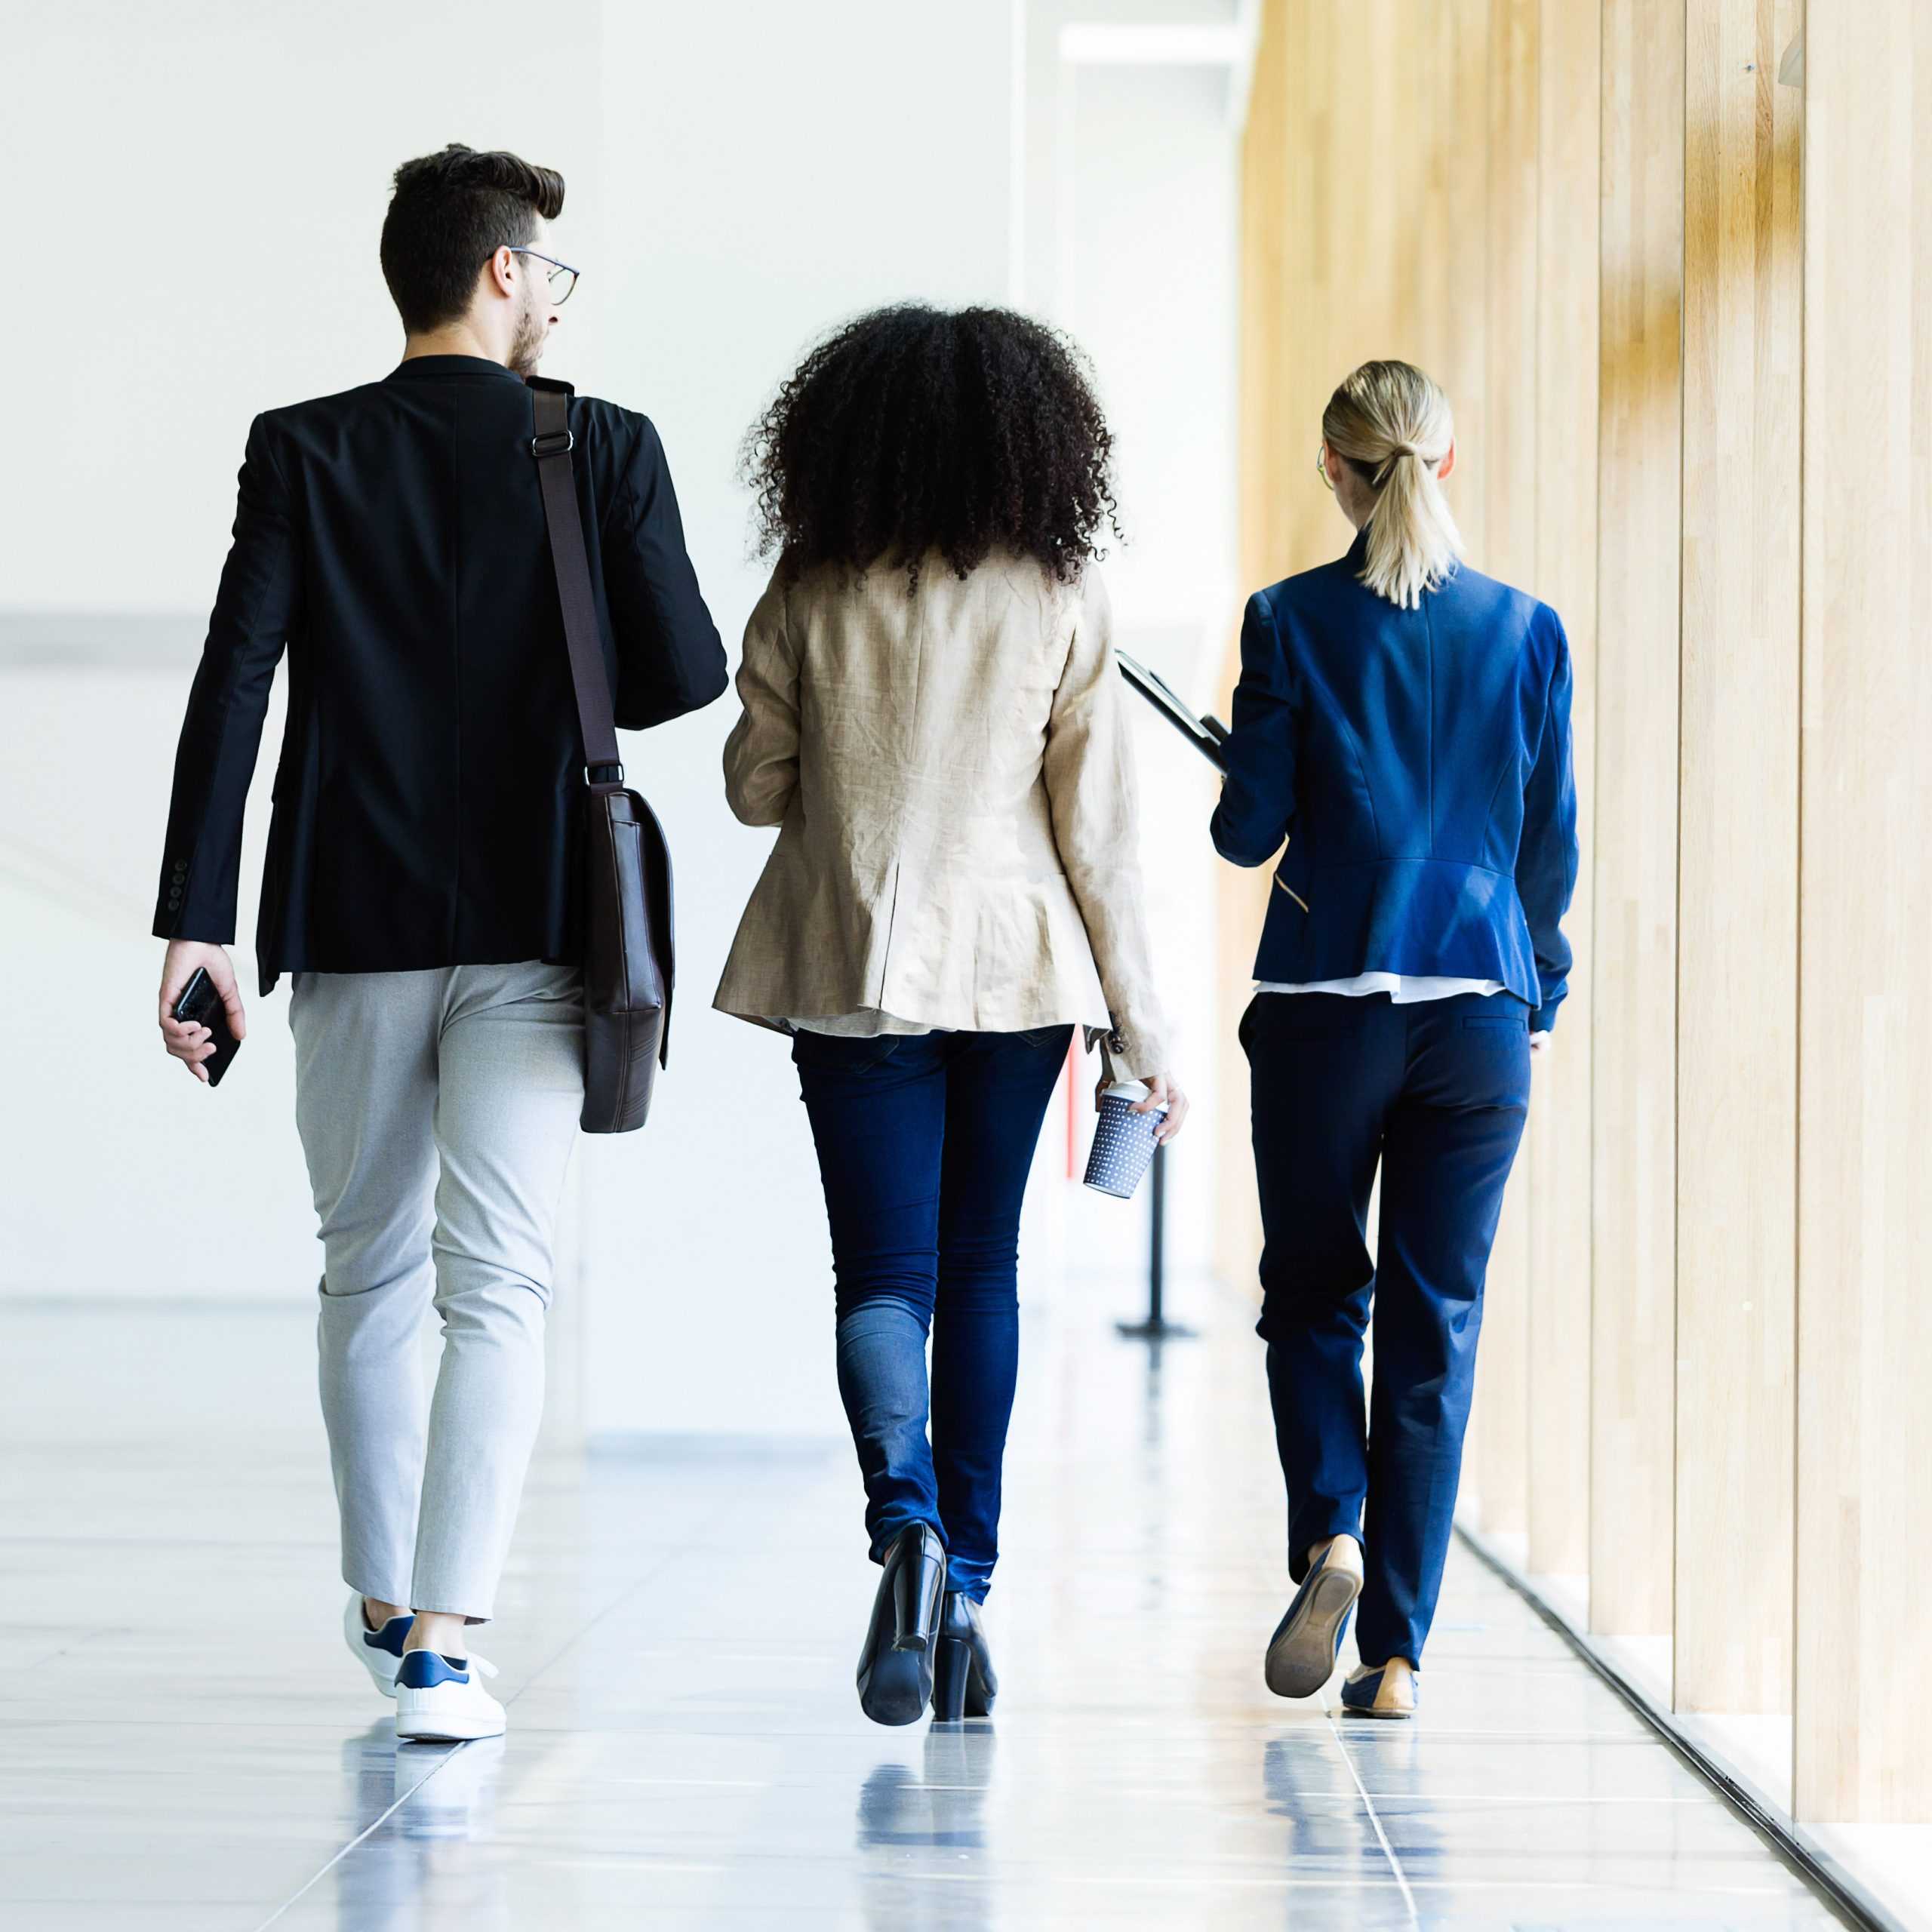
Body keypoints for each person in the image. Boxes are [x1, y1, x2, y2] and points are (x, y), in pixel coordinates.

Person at [152, 144, 725, 1743]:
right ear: (499, 273)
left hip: (351, 906)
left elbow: (233, 690)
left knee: (365, 1263)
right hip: (547, 912)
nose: (553, 296)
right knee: (503, 1280)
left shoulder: (303, 448)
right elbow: (679, 673)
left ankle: (382, 1592)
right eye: (549, 270)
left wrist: (200, 922)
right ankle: (447, 1645)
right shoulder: (600, 447)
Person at [714, 303, 1188, 1726]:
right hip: (1019, 972)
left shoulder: (812, 582)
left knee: (883, 1277)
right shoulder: (1060, 591)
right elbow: (1097, 827)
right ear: (1041, 443)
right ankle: (968, 1584)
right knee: (983, 1270)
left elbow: (754, 786)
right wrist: (1141, 1021)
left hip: (850, 960)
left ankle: (905, 1528)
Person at [1211, 359, 1577, 1720]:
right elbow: (1550, 853)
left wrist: (1248, 750)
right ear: (1446, 463)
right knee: (1438, 1324)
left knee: (1314, 1292)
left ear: (1335, 470)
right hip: (1479, 1021)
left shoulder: (1288, 622)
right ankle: (1399, 1659)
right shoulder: (1529, 631)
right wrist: (1536, 993)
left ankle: (1333, 1536)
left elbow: (1249, 832)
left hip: (1326, 1017)